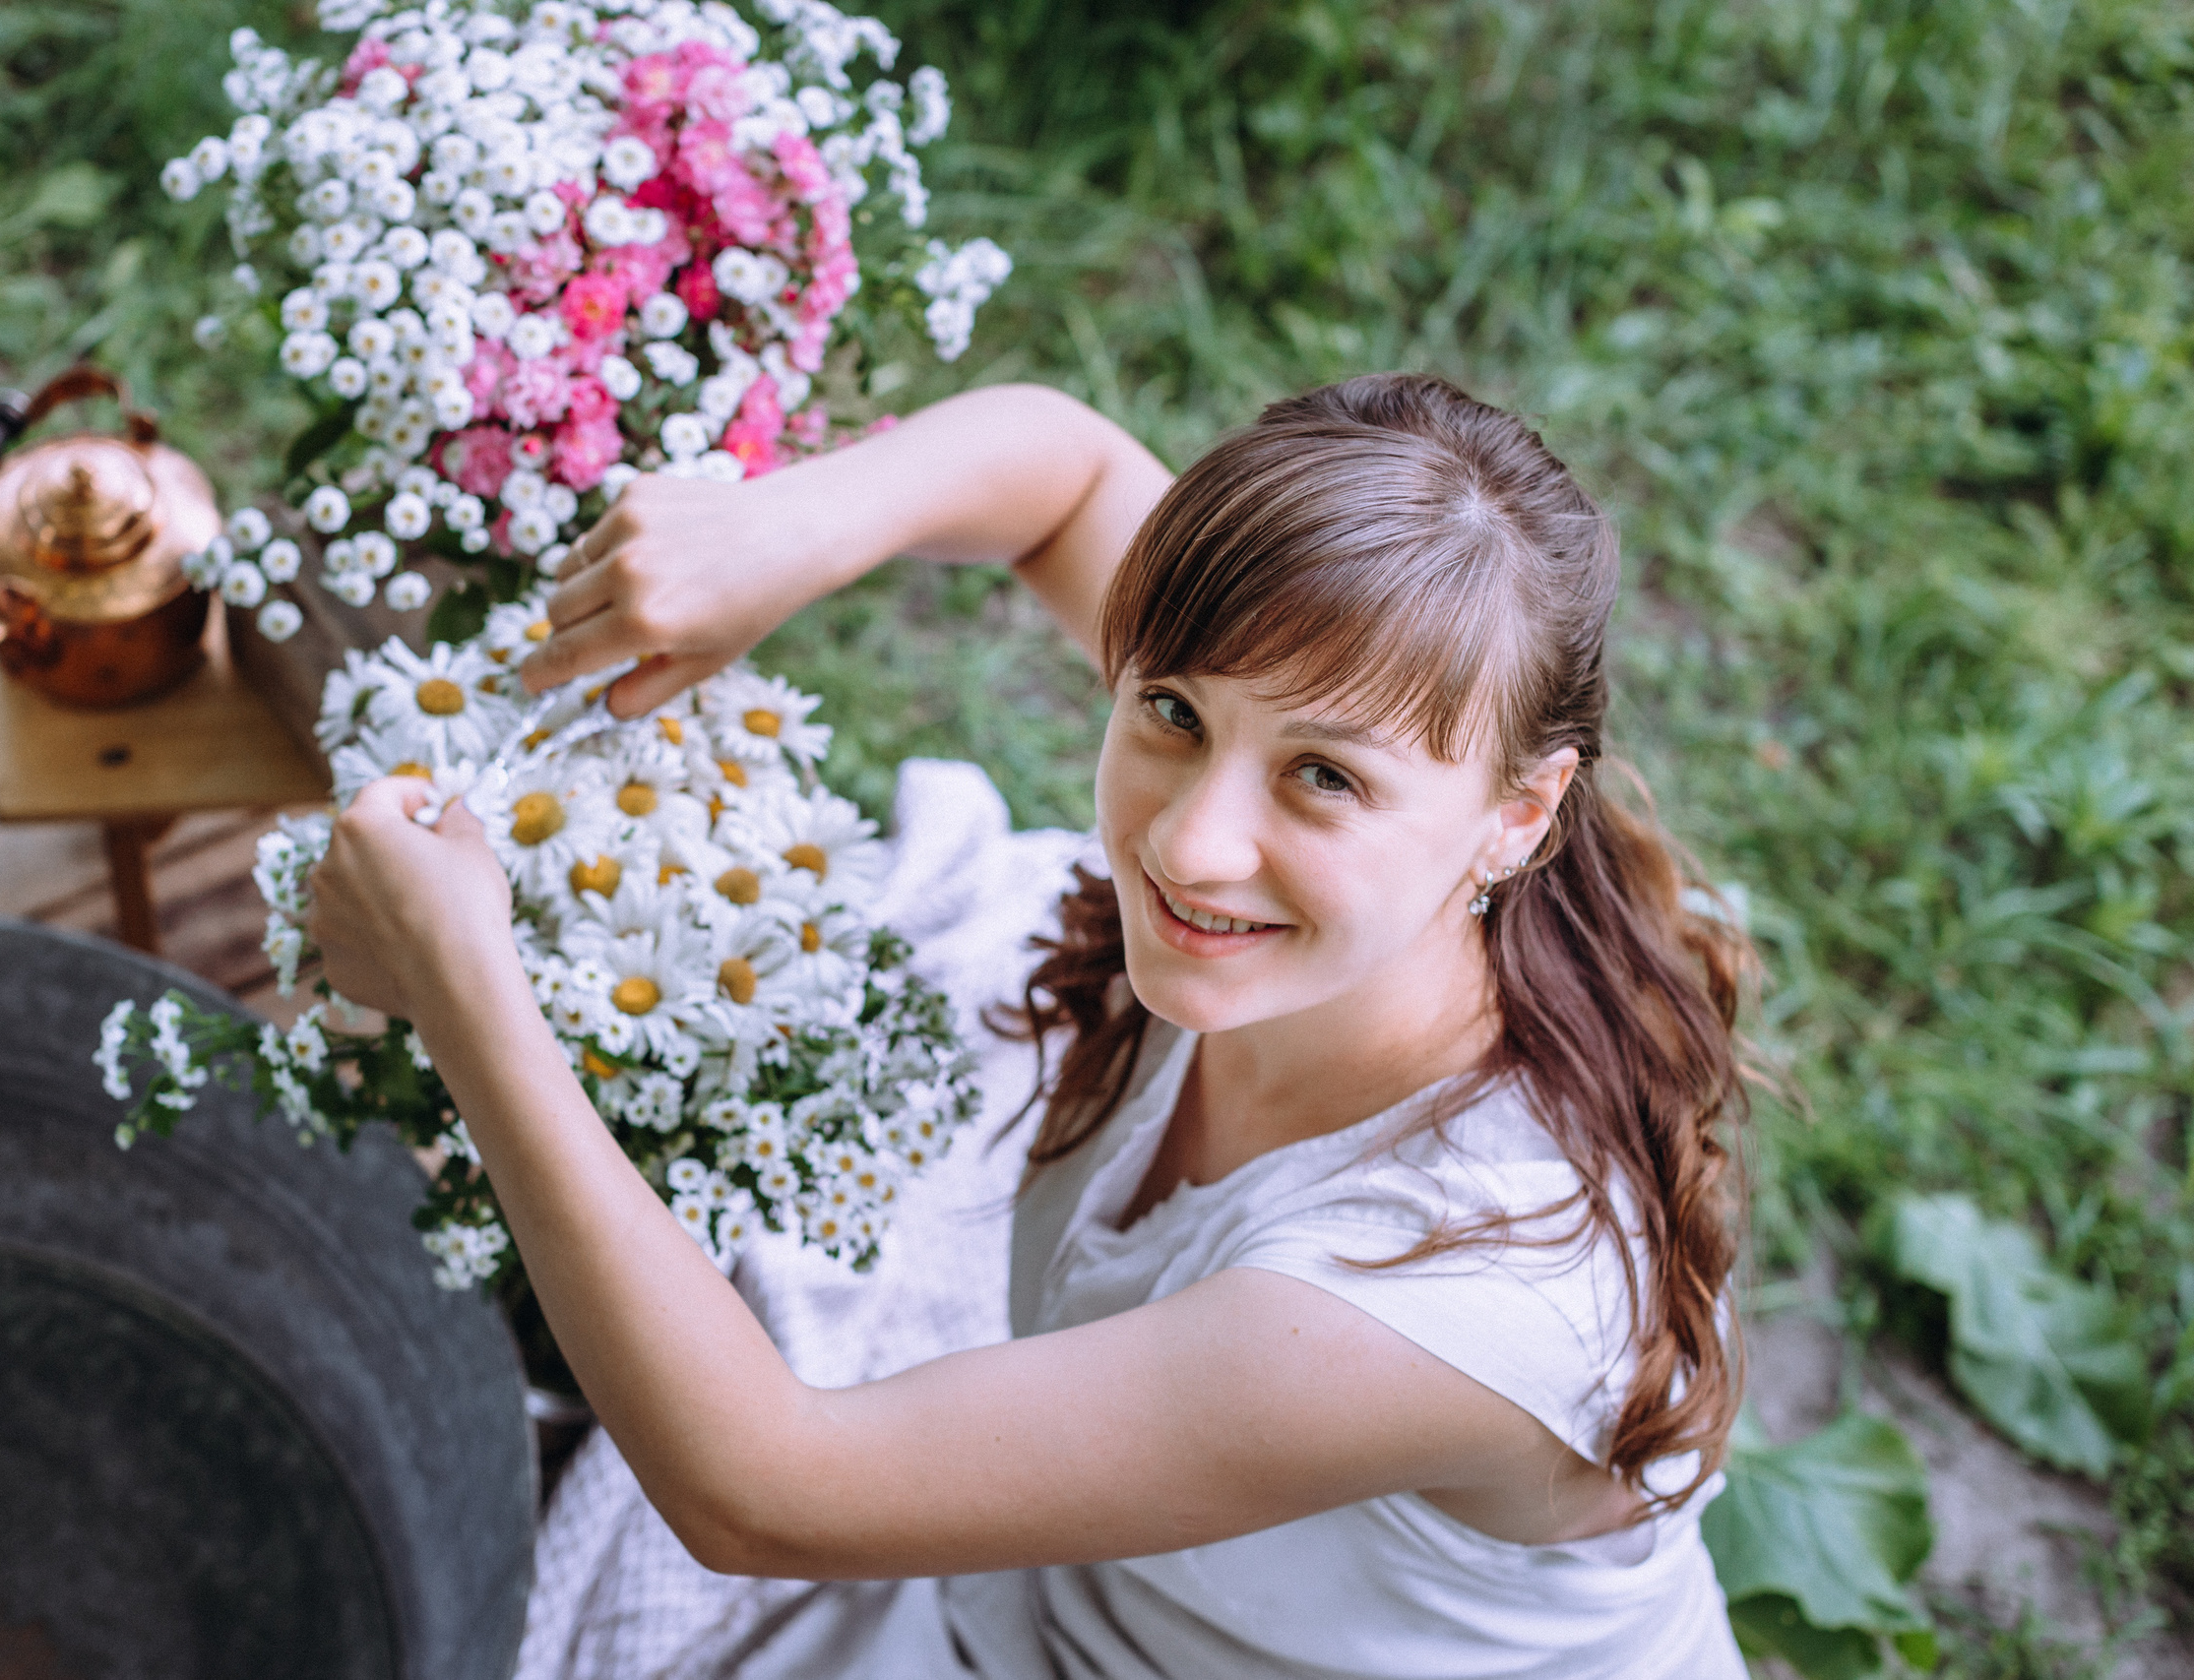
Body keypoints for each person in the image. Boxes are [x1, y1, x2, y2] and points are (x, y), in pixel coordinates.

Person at [307, 373, 1757, 1679]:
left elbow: (765, 1491)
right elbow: (1061, 477)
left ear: (1521, 810)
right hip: (1073, 1615)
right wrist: (789, 528)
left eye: (1324, 779)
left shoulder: (1437, 1289)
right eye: (1173, 712)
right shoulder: (1355, 898)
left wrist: (465, 990)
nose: (1191, 848)